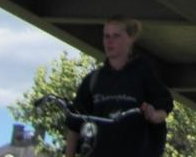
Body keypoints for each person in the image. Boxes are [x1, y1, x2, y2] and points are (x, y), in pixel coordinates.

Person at [65, 16, 173, 157]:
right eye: (106, 36)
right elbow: (74, 124)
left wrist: (153, 115)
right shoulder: (93, 80)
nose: (109, 41)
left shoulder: (143, 73)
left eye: (116, 36)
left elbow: (164, 106)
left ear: (130, 39)